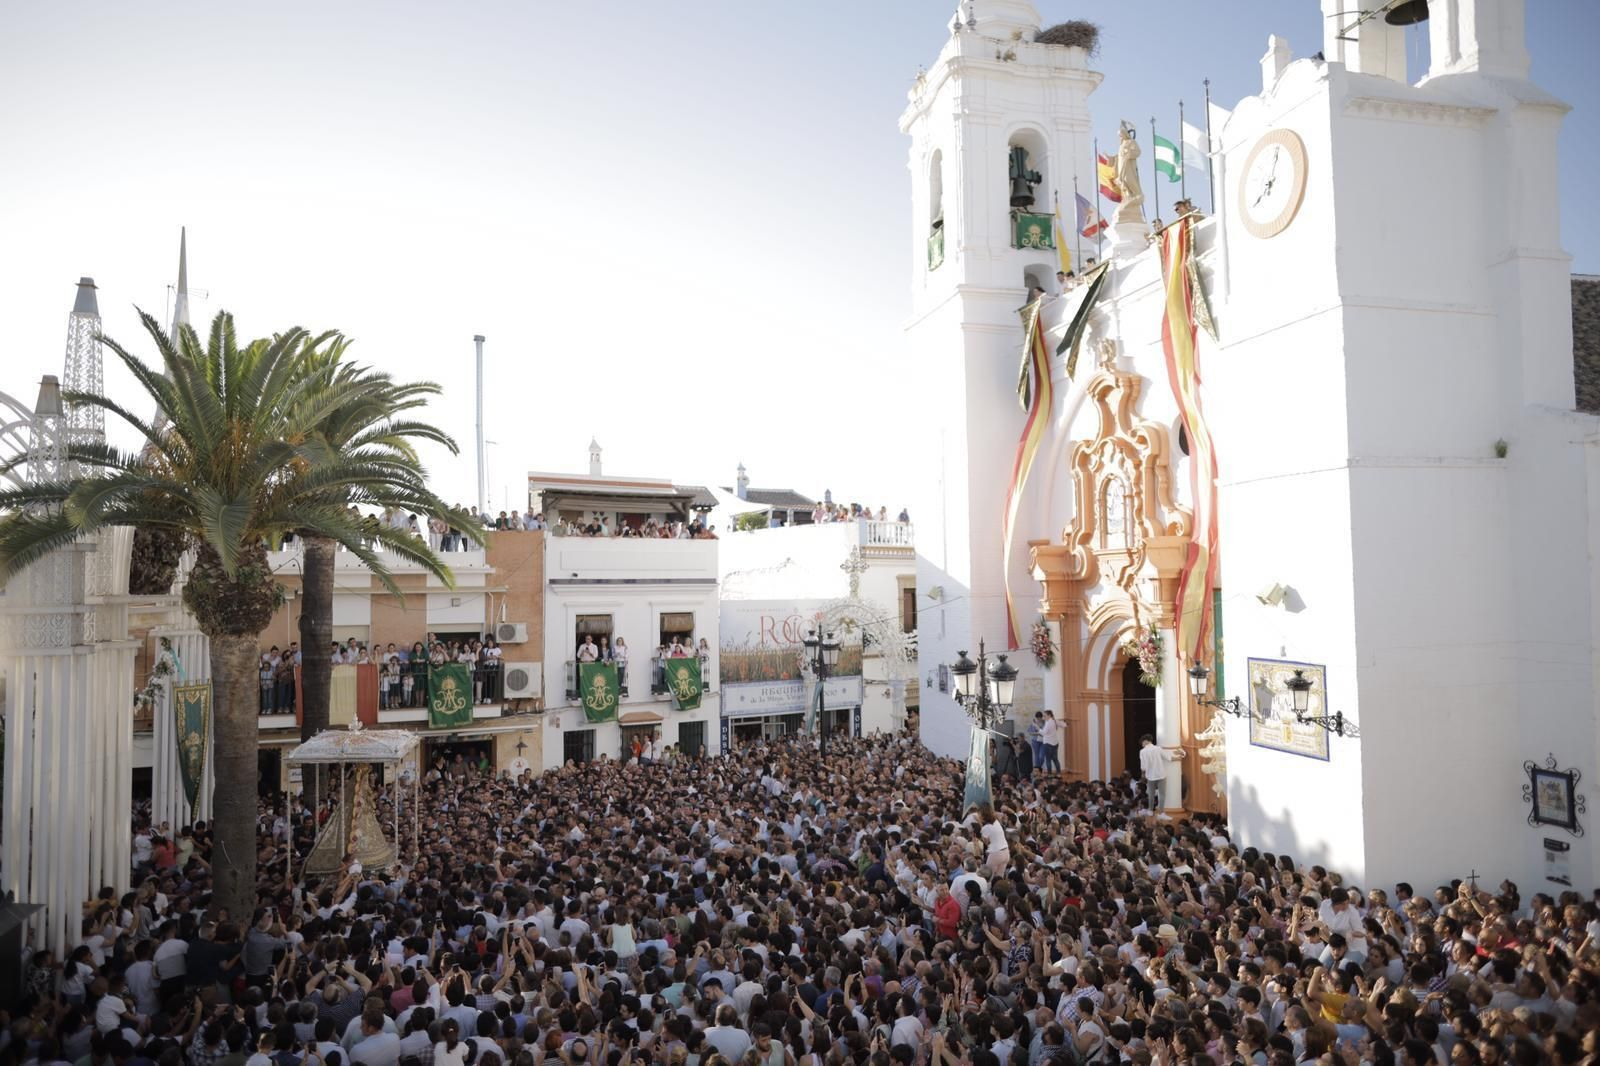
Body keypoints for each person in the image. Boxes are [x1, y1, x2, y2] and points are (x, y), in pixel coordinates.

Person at [1138, 732, 1184, 809]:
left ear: (1145, 741)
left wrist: (1143, 774)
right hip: (1161, 775)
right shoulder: (1158, 748)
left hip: (1150, 776)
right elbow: (1168, 757)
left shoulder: (1142, 751)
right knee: (1162, 794)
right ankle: (1161, 811)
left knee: (1151, 794)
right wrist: (1178, 759)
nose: (1142, 745)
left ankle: (1150, 810)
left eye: (1142, 743)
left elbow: (1143, 766)